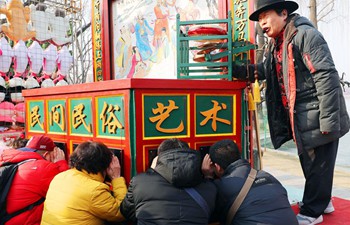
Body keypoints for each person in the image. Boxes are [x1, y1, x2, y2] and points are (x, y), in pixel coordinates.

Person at [232, 0, 350, 224]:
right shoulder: (277, 43)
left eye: (266, 16)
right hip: (302, 116)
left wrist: (328, 121)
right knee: (311, 162)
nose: (262, 23)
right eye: (259, 20)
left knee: (319, 164)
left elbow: (326, 76)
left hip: (318, 113)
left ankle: (313, 212)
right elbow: (265, 70)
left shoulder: (305, 35)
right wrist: (238, 71)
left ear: (284, 13)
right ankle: (322, 200)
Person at [120, 138, 217, 225]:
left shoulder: (139, 182)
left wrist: (152, 171)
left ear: (158, 158)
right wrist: (208, 176)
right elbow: (211, 216)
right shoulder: (209, 188)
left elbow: (126, 211)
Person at [202, 139, 298, 225]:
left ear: (218, 167)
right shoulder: (268, 176)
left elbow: (207, 212)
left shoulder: (222, 186)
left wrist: (208, 177)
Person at [41, 141, 127, 225]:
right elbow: (120, 213)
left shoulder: (60, 177)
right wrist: (117, 178)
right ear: (105, 165)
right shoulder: (94, 190)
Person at [0, 135, 68, 225]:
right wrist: (61, 163)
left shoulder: (10, 161)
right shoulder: (43, 168)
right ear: (47, 154)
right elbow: (66, 192)